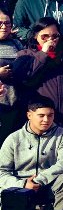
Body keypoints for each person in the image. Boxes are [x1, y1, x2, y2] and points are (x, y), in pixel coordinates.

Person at [0, 97, 63, 210]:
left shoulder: (62, 134)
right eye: (41, 115)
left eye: (50, 115)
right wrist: (22, 185)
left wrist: (40, 179)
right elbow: (1, 171)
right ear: (29, 115)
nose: (46, 120)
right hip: (21, 187)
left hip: (47, 183)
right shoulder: (13, 139)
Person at [12, 18, 63, 136]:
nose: (50, 40)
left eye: (55, 36)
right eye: (44, 36)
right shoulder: (25, 55)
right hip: (41, 119)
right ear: (35, 36)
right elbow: (25, 79)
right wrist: (43, 55)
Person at [0, 10, 23, 143]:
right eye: (0, 23)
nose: (4, 27)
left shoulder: (17, 44)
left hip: (15, 101)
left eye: (7, 23)